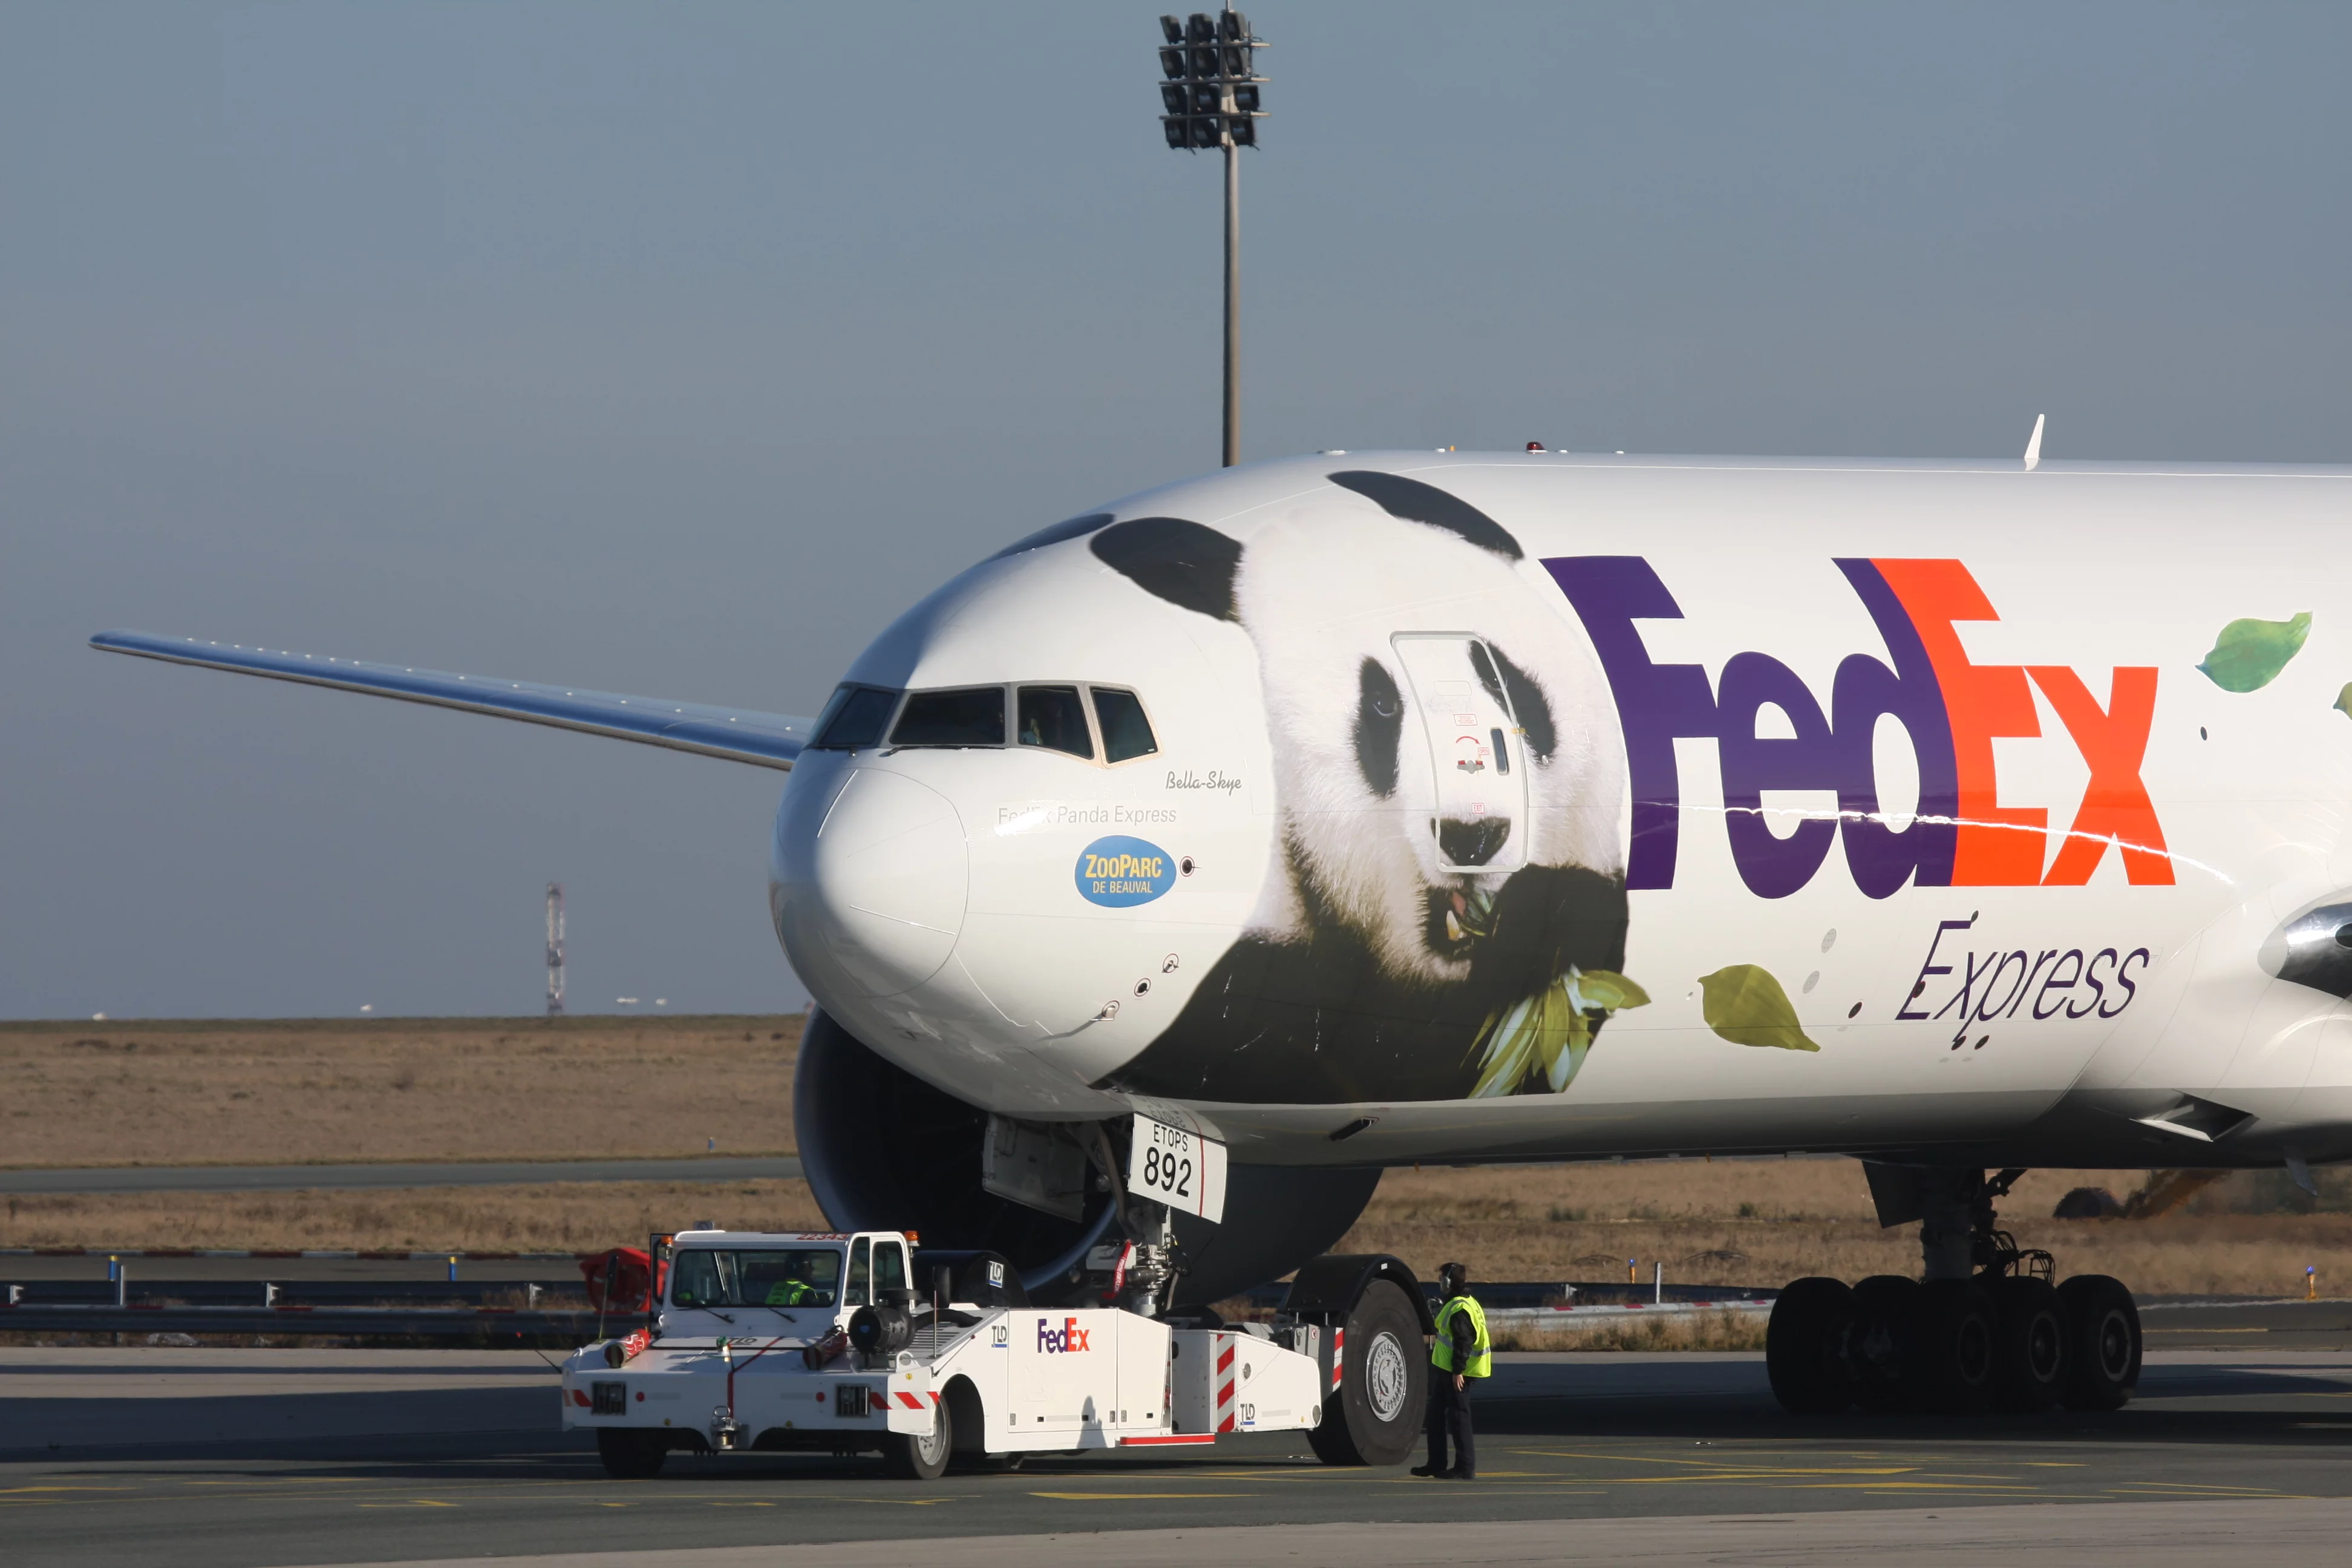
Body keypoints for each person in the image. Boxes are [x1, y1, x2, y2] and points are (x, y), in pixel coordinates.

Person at [1413, 1260, 1489, 1480]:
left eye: (1440, 1278)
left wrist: (1458, 1371)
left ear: (1447, 1281)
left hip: (1458, 1373)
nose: (1439, 1282)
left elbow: (1464, 1340)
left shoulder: (1460, 1308)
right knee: (1436, 1416)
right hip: (1447, 1370)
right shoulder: (1462, 1302)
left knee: (1459, 1418)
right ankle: (1436, 1464)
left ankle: (1465, 1467)